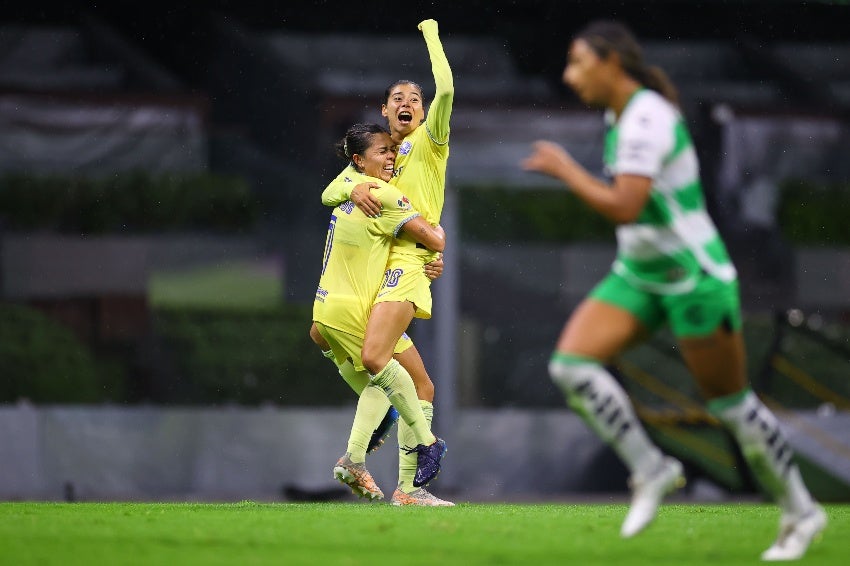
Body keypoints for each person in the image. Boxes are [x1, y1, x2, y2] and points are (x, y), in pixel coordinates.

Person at [521, 20, 826, 561]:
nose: (569, 76)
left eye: (578, 62)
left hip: (694, 279)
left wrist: (566, 170)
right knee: (570, 366)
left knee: (731, 407)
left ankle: (802, 511)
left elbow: (626, 205)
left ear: (611, 62)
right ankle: (651, 468)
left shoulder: (647, 118)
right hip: (640, 276)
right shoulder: (619, 115)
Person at [318, 18, 455, 507]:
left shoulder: (429, 140)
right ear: (384, 110)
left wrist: (431, 34)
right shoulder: (382, 161)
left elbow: (446, 89)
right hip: (384, 272)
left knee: (397, 372)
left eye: (414, 98)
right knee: (396, 370)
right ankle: (404, 469)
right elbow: (331, 190)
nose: (407, 103)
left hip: (408, 264)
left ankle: (392, 474)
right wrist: (354, 185)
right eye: (398, 97)